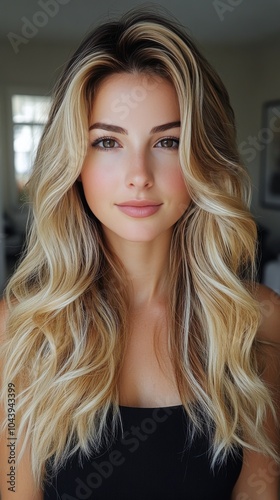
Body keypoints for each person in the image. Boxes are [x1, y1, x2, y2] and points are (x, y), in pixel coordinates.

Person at [0, 6, 279, 500]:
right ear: (75, 161)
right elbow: (11, 486)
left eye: (168, 141)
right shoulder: (20, 328)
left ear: (203, 159)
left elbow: (260, 486)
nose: (138, 174)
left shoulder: (258, 320)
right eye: (107, 141)